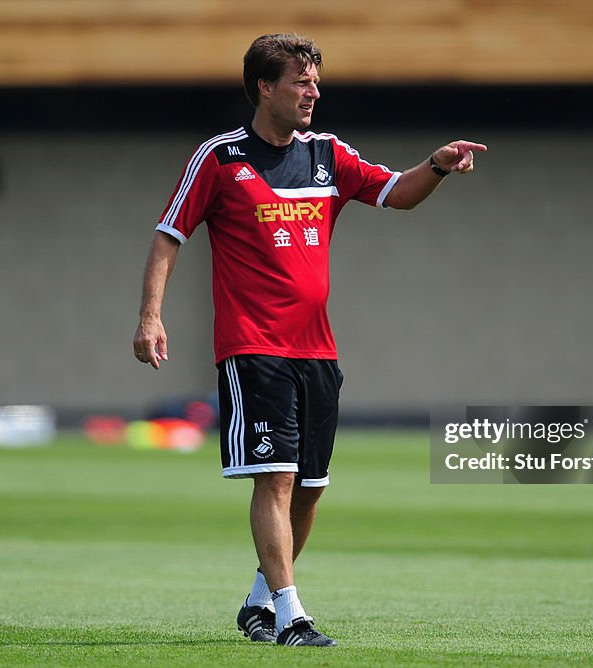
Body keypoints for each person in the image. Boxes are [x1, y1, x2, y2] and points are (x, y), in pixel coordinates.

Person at [132, 33, 486, 647]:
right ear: (264, 87)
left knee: (311, 485)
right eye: (301, 81)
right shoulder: (219, 160)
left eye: (316, 81)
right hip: (252, 346)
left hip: (317, 350)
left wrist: (436, 166)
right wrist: (150, 316)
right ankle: (293, 615)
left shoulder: (328, 154)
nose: (313, 92)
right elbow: (169, 235)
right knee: (275, 477)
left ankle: (259, 600)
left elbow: (395, 193)